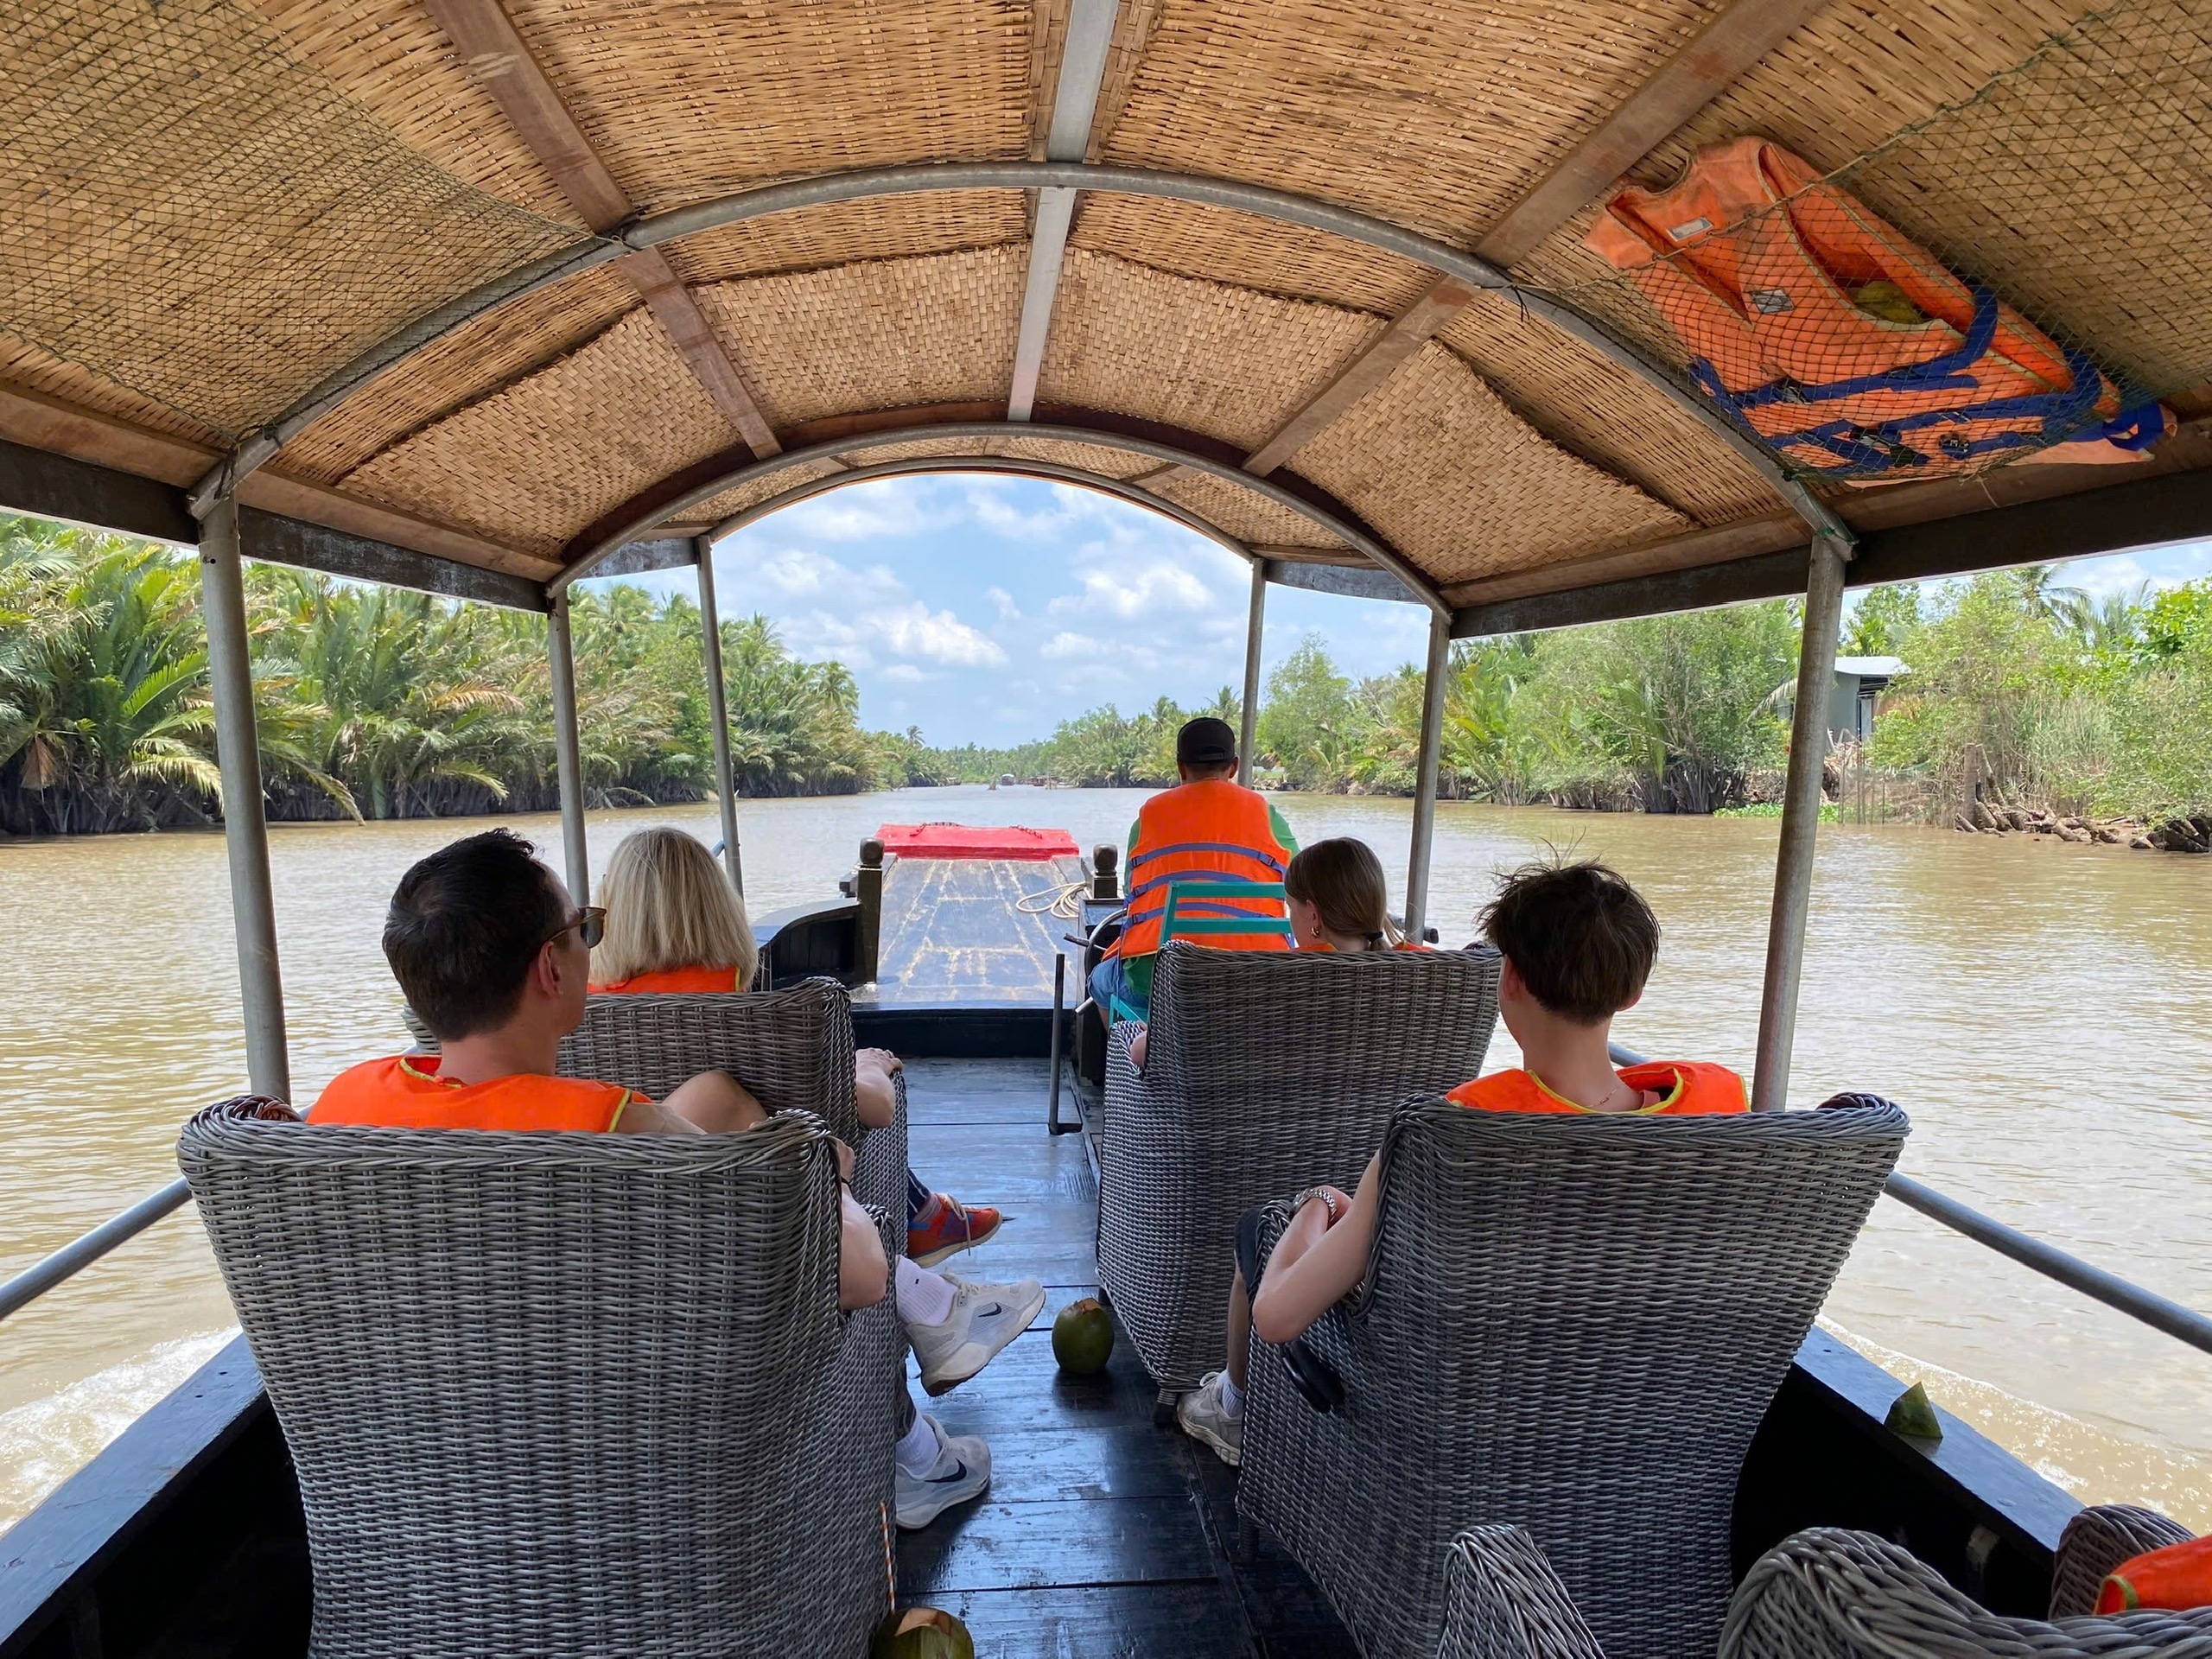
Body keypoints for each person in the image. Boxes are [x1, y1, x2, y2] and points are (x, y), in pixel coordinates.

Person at [313, 829, 1039, 1528]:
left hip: (426, 1449)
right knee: (822, 1188)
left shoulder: (340, 1107)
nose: (590, 940)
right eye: (582, 928)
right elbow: (861, 1279)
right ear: (551, 969)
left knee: (716, 1096)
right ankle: (926, 1392)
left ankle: (937, 1320)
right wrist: (825, 1183)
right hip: (647, 1427)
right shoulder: (610, 1127)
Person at [1175, 857, 1746, 1467]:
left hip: (1457, 1430)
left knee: (1261, 1231)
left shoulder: (1447, 1132)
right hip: (1640, 1435)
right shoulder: (1718, 1114)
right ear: (1631, 995)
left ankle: (1229, 1410)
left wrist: (1322, 1203)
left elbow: (1278, 1316)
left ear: (1511, 982)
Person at [590, 825, 1002, 1268]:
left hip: (631, 1211)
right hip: (762, 1210)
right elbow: (868, 1109)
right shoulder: (751, 1016)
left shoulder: (579, 1013)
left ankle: (923, 1213)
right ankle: (920, 1219)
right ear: (717, 905)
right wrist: (869, 1067)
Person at [1127, 836, 1412, 1068]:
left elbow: (1146, 1055)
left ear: (1313, 915)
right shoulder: (1418, 976)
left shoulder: (1273, 980)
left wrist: (1152, 1035)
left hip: (1266, 1134)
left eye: (1290, 906)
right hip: (1390, 1134)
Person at [1091, 716, 1299, 1023]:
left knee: (1100, 981)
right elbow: (1305, 883)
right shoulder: (1267, 815)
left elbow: (1132, 893)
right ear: (1234, 767)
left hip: (1159, 978)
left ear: (1180, 766)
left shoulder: (1148, 817)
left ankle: (1134, 1064)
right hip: (1255, 974)